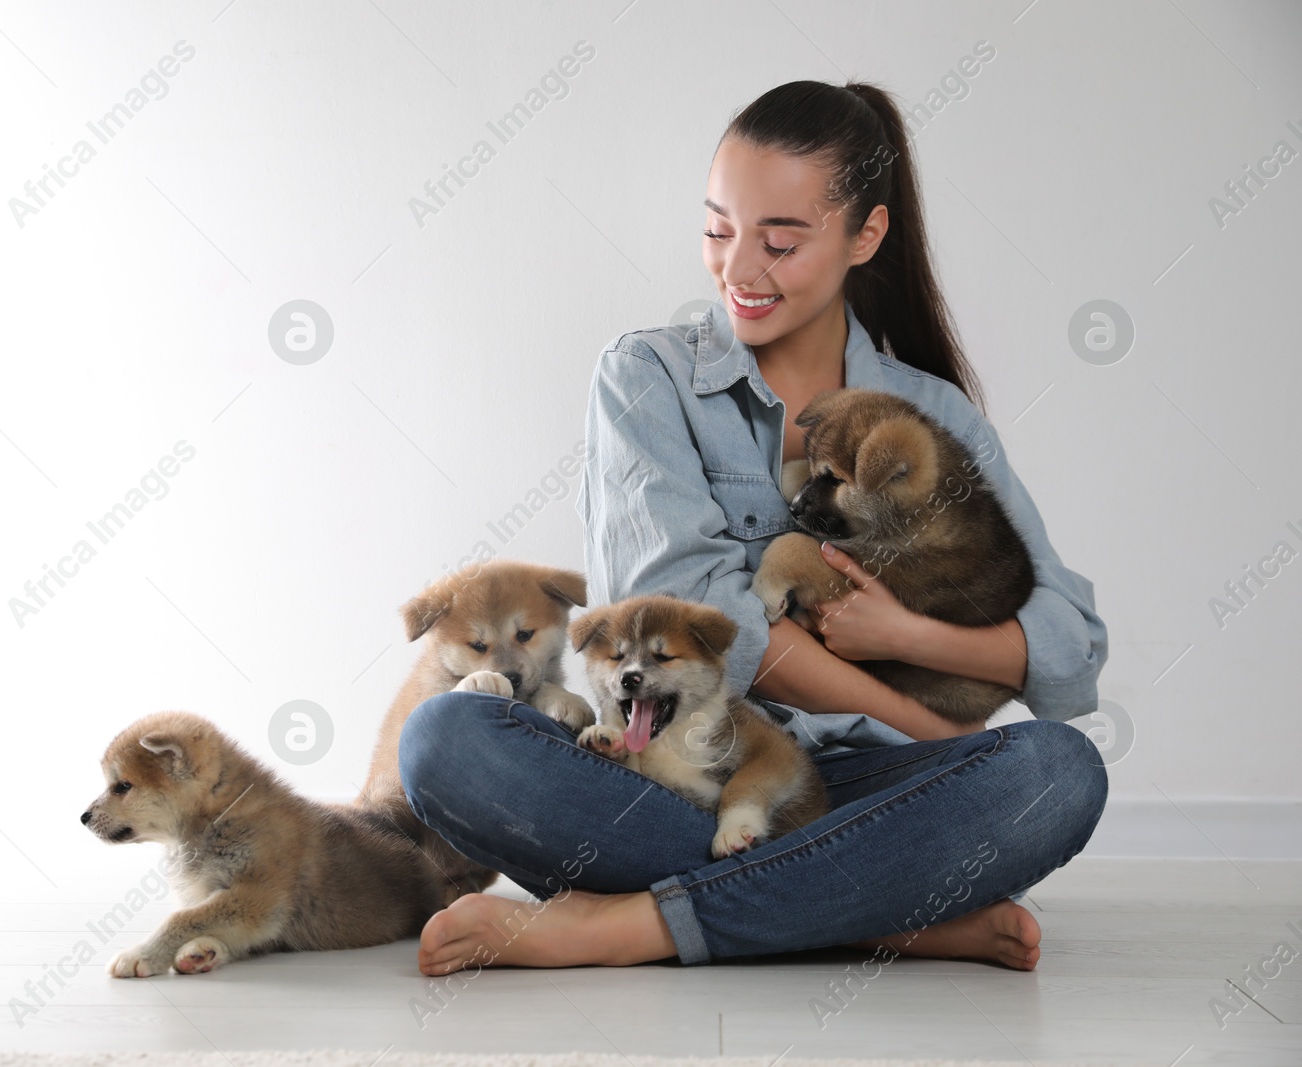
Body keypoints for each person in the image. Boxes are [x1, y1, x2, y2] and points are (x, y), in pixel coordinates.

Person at [397, 79, 1108, 975]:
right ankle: (869, 913)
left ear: (867, 235)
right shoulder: (644, 378)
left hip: (860, 787)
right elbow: (708, 624)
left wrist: (909, 634)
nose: (738, 270)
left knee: (1058, 772)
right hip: (673, 773)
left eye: (779, 241)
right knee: (447, 740)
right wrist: (925, 724)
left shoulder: (931, 418)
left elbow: (1071, 646)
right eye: (717, 231)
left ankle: (631, 925)